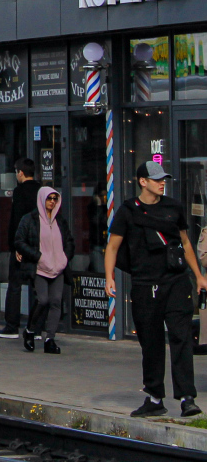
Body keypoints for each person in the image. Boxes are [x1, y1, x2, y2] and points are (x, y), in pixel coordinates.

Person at [106, 160, 207, 418]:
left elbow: (185, 242)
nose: (163, 183)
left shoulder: (174, 207)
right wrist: (109, 278)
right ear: (143, 182)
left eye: (164, 179)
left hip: (176, 282)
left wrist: (199, 276)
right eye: (157, 179)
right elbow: (113, 247)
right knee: (150, 343)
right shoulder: (128, 211)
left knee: (181, 338)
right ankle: (154, 398)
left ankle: (187, 399)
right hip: (144, 285)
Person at [14, 186, 74, 354]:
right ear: (42, 199)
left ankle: (50, 339)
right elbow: (19, 241)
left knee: (56, 301)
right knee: (43, 300)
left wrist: (64, 258)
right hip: (39, 267)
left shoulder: (60, 221)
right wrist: (38, 256)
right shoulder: (29, 219)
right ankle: (30, 331)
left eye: (55, 199)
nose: (52, 202)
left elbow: (69, 241)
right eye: (49, 199)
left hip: (58, 268)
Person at [0, 157, 41, 338]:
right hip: (39, 245)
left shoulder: (19, 192)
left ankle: (11, 326)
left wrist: (15, 246)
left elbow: (16, 220)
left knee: (14, 284)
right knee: (38, 286)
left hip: (22, 244)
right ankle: (36, 328)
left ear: (21, 173)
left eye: (16, 171)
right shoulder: (42, 191)